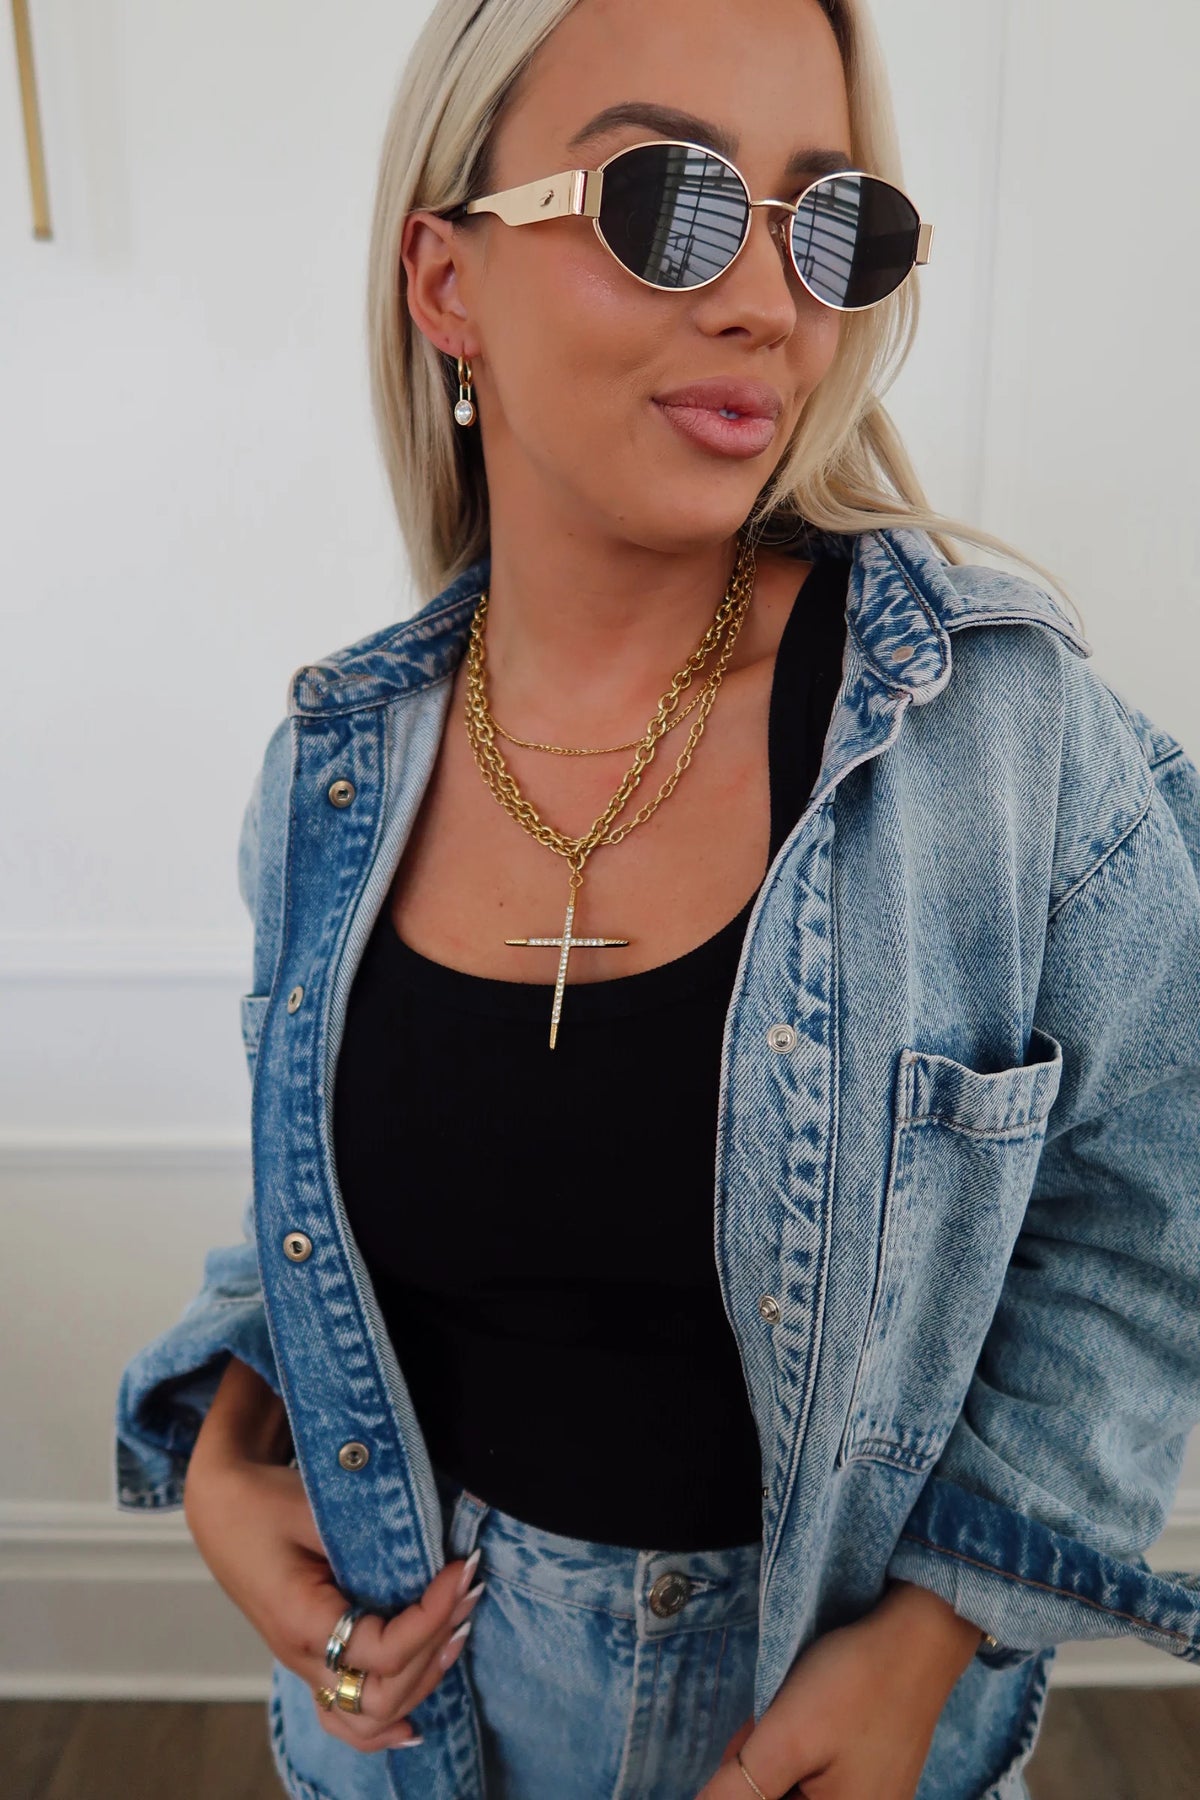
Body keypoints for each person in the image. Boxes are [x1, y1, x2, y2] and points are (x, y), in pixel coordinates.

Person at [115, 0, 1200, 1796]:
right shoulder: (331, 772)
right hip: (406, 1739)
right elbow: (305, 1199)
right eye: (669, 202)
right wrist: (233, 1440)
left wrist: (931, 1642)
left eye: (830, 221)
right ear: (446, 281)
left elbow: (1156, 1213)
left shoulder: (994, 741)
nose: (770, 299)